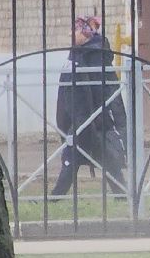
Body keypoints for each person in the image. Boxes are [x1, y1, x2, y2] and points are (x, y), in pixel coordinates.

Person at [52, 15, 127, 196]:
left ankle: (54, 198)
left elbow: (104, 90)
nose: (71, 33)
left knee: (74, 157)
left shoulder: (94, 56)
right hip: (80, 116)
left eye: (76, 29)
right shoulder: (78, 52)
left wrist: (99, 118)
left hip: (89, 118)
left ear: (86, 33)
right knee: (104, 159)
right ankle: (123, 194)